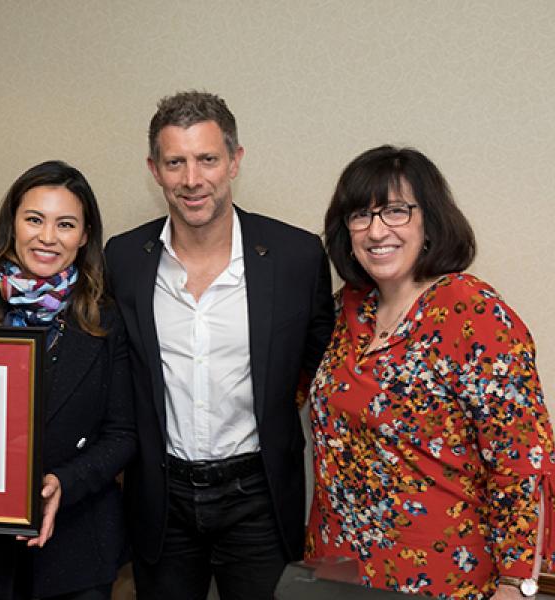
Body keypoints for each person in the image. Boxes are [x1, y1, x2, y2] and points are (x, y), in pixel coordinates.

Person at [104, 91, 335, 600]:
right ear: (154, 169)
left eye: (207, 159)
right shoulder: (123, 259)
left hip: (258, 497)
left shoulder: (296, 257)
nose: (192, 180)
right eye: (175, 162)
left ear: (234, 161)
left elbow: (328, 374)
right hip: (161, 500)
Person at [306, 145, 555, 599]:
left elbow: (523, 462)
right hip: (336, 568)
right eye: (360, 215)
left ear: (430, 222)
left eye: (396, 211)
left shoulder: (474, 313)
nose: (376, 230)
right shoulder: (349, 308)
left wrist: (515, 584)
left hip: (440, 577)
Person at [0, 160, 135, 600]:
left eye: (65, 224)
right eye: (34, 219)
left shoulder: (107, 319)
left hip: (78, 547)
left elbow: (122, 434)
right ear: (12, 224)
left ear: (84, 235)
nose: (47, 237)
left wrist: (64, 482)